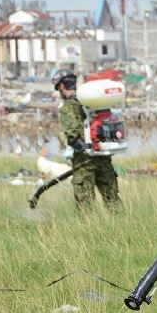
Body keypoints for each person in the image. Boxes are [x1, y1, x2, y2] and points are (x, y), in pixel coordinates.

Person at [52, 68, 122, 213]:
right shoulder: (91, 101)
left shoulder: (67, 106)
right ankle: (122, 224)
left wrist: (72, 147)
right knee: (112, 199)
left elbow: (72, 134)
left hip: (84, 161)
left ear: (62, 86)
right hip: (102, 155)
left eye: (58, 88)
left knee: (85, 204)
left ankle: (88, 227)